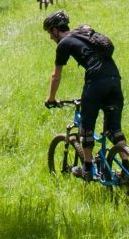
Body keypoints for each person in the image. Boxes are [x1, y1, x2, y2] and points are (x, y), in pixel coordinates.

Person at [42, 9, 122, 178]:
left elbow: (56, 76)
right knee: (114, 130)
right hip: (115, 79)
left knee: (86, 128)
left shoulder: (64, 43)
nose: (50, 37)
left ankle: (87, 168)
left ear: (56, 30)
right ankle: (126, 169)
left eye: (50, 33)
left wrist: (51, 99)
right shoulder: (83, 35)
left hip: (96, 82)